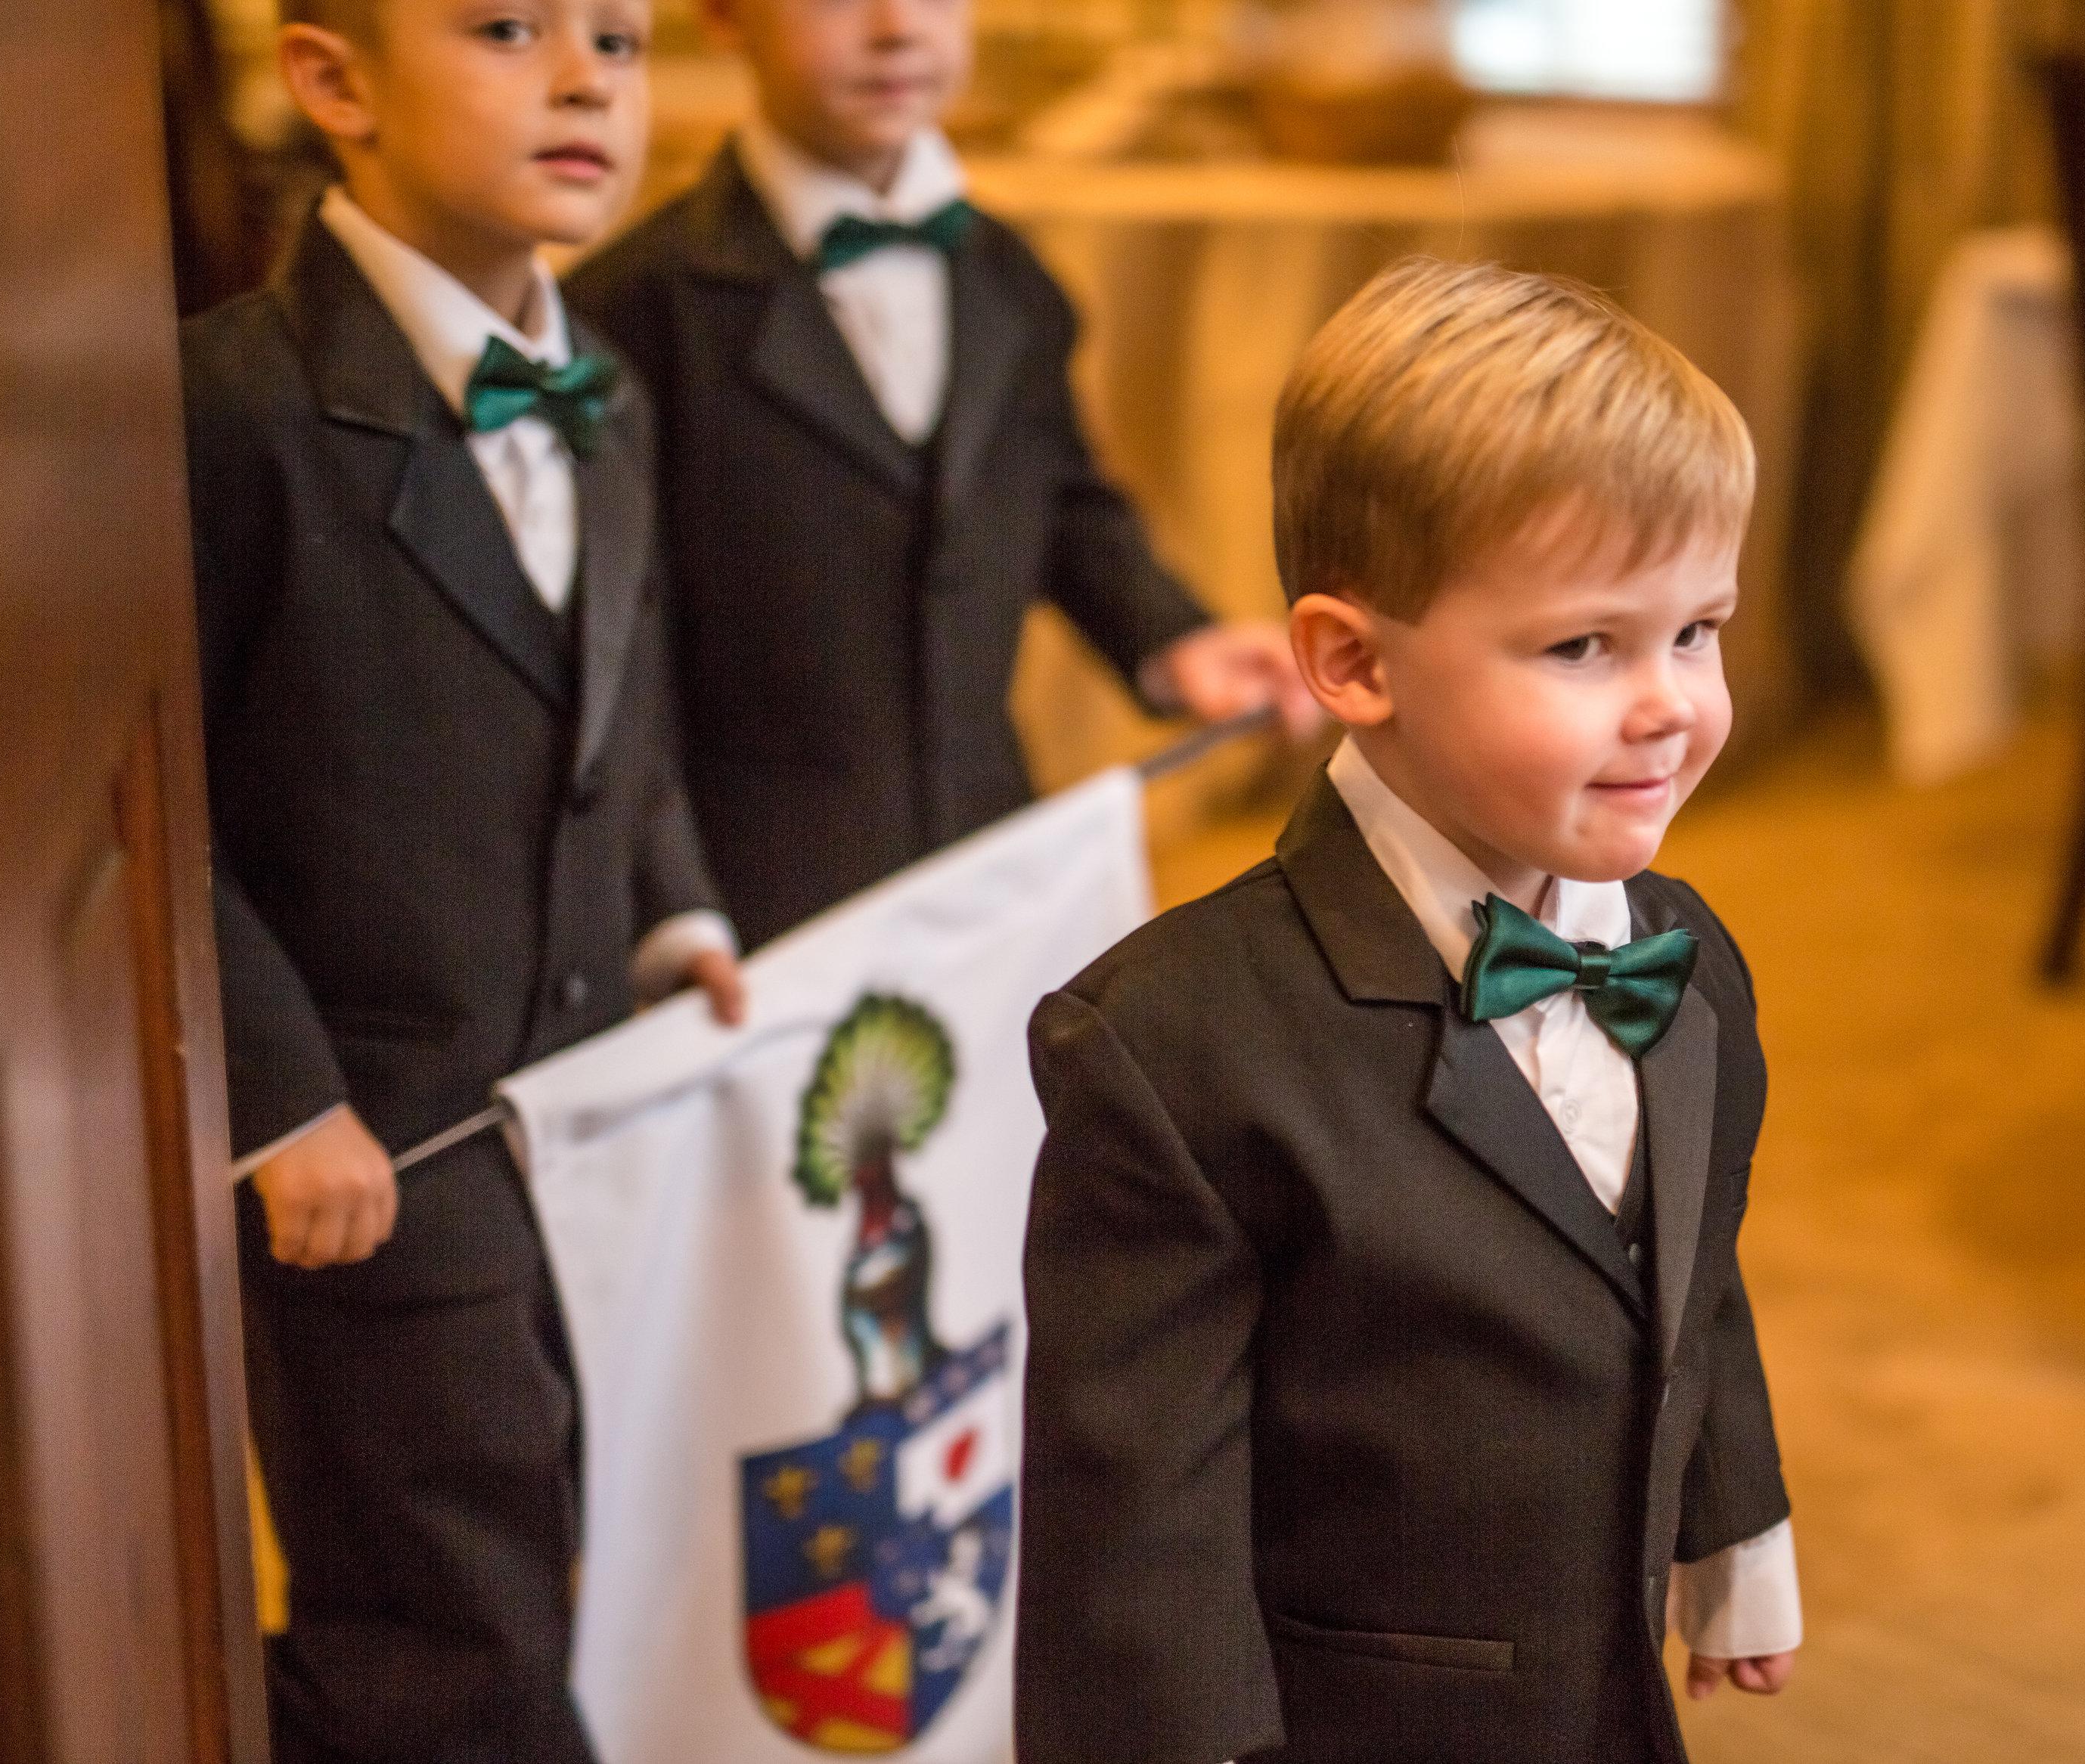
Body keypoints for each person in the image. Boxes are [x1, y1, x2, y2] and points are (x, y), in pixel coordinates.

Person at [1016, 256, 1801, 1764]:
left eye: (1696, 629)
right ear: (1352, 661)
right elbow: (1131, 1542)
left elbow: (1694, 1263)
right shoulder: (1174, 1044)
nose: (1669, 703)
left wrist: (1733, 1521)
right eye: (1586, 645)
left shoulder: (1688, 956)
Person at [182, 2, 743, 1756]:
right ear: (333, 78)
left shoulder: (613, 394)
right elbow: (139, 808)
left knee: (586, 1545)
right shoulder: (225, 408)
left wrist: (676, 899)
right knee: (442, 1625)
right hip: (384, 1159)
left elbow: (616, 705)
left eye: (622, 39)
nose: (586, 78)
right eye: (505, 27)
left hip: (588, 1133)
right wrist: (278, 1098)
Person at [566, 0, 1317, 947]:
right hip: (761, 899)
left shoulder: (1010, 276)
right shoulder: (632, 306)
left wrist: (1173, 639)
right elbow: (619, 654)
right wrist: (668, 902)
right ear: (723, 15)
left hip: (986, 862)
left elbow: (1061, 498)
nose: (895, 26)